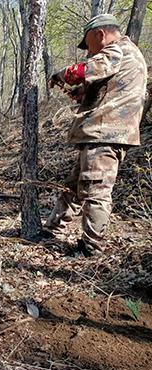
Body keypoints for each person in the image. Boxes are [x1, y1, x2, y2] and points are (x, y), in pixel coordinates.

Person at [44, 14, 147, 256]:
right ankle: (51, 230)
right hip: (104, 133)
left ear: (100, 35)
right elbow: (108, 89)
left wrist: (60, 75)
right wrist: (81, 93)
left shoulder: (118, 50)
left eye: (88, 44)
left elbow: (85, 70)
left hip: (104, 134)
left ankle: (91, 248)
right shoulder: (127, 54)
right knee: (74, 187)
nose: (88, 52)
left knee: (96, 192)